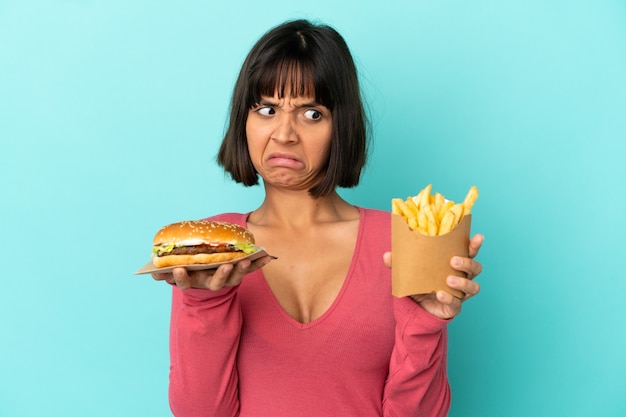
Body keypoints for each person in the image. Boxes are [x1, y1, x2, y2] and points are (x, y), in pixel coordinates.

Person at [152, 19, 483, 417]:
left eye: (311, 113)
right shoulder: (214, 249)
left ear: (340, 125)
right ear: (245, 120)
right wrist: (205, 302)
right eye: (267, 109)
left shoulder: (403, 240)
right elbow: (200, 412)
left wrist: (426, 323)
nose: (284, 133)